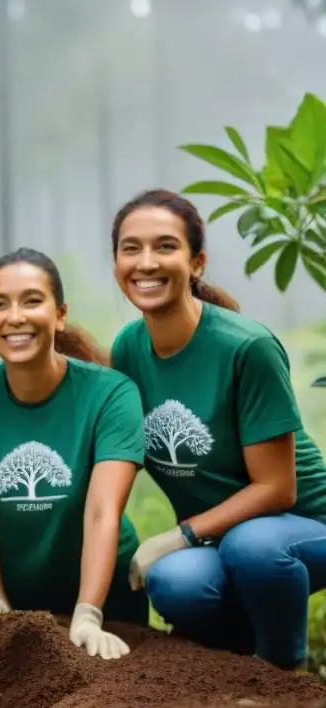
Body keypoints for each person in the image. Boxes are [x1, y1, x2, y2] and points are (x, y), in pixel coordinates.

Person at [109, 188, 326, 672]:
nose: (146, 262)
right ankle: (235, 662)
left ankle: (286, 671)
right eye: (131, 248)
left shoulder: (248, 348)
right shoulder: (128, 349)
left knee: (254, 548)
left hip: (304, 527)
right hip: (219, 537)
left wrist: (176, 535)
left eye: (165, 246)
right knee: (175, 583)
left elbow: (278, 488)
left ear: (197, 262)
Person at [0, 248, 149, 659]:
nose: (15, 316)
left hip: (109, 602)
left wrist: (89, 612)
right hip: (23, 606)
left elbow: (102, 512)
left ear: (59, 315)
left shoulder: (110, 394)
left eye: (32, 301)